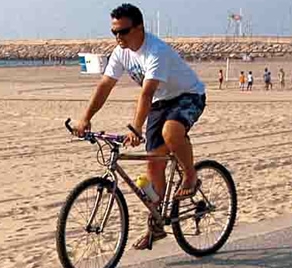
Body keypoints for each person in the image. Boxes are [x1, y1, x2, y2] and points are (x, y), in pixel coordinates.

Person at [71, 3, 206, 251]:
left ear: (139, 28)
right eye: (114, 32)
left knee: (171, 132)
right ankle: (156, 227)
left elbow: (146, 94)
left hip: (188, 95)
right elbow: (105, 85)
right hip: (159, 101)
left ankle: (190, 175)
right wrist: (85, 118)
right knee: (154, 166)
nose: (118, 37)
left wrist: (136, 129)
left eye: (123, 31)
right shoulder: (121, 52)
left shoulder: (156, 52)